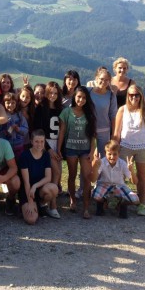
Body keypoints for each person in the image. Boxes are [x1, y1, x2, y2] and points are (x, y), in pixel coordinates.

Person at [113, 84, 145, 216]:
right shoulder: (122, 110)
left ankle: (141, 204)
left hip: (143, 147)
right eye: (131, 95)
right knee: (120, 176)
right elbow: (117, 132)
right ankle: (118, 200)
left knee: (142, 176)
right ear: (127, 96)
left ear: (141, 96)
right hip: (125, 146)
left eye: (137, 95)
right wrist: (114, 148)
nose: (134, 97)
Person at [58, 86, 96, 218]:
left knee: (87, 178)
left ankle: (86, 207)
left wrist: (92, 151)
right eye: (79, 97)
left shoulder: (90, 113)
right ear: (74, 97)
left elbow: (93, 135)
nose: (81, 100)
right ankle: (73, 200)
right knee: (72, 175)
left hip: (85, 149)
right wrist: (59, 148)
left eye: (84, 97)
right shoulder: (66, 112)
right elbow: (62, 131)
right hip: (70, 148)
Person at [19, 130, 60, 224]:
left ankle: (41, 204)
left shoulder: (46, 155)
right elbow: (26, 182)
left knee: (54, 188)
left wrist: (35, 186)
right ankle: (29, 205)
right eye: (36, 141)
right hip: (27, 191)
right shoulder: (25, 155)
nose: (39, 144)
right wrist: (30, 202)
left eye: (42, 141)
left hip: (39, 189)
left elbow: (48, 178)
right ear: (31, 141)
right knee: (31, 220)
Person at [90, 140, 139, 219]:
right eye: (109, 154)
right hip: (104, 184)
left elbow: (135, 182)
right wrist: (95, 167)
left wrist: (132, 171)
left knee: (135, 200)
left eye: (115, 154)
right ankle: (104, 202)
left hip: (119, 186)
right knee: (94, 195)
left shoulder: (122, 163)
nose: (112, 157)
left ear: (119, 154)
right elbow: (93, 180)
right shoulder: (101, 162)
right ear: (105, 153)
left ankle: (121, 204)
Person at [33, 81, 63, 186]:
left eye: (55, 93)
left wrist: (59, 148)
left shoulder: (60, 109)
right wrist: (48, 148)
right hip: (45, 143)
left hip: (57, 143)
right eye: (50, 93)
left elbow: (61, 130)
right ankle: (53, 195)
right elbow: (38, 130)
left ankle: (54, 191)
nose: (53, 95)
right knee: (55, 172)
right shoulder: (40, 108)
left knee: (58, 173)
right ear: (46, 93)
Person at [89, 66, 118, 158]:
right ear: (96, 78)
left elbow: (113, 116)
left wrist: (114, 135)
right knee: (88, 157)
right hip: (88, 129)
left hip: (104, 131)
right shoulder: (88, 92)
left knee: (103, 158)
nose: (103, 82)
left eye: (106, 80)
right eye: (101, 79)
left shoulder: (111, 96)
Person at [2, 92, 28, 160]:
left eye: (13, 103)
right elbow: (0, 132)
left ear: (16, 103)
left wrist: (18, 129)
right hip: (6, 147)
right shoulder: (2, 116)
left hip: (19, 146)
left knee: (20, 163)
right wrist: (10, 129)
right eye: (8, 103)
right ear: (4, 103)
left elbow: (26, 129)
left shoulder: (19, 115)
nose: (10, 105)